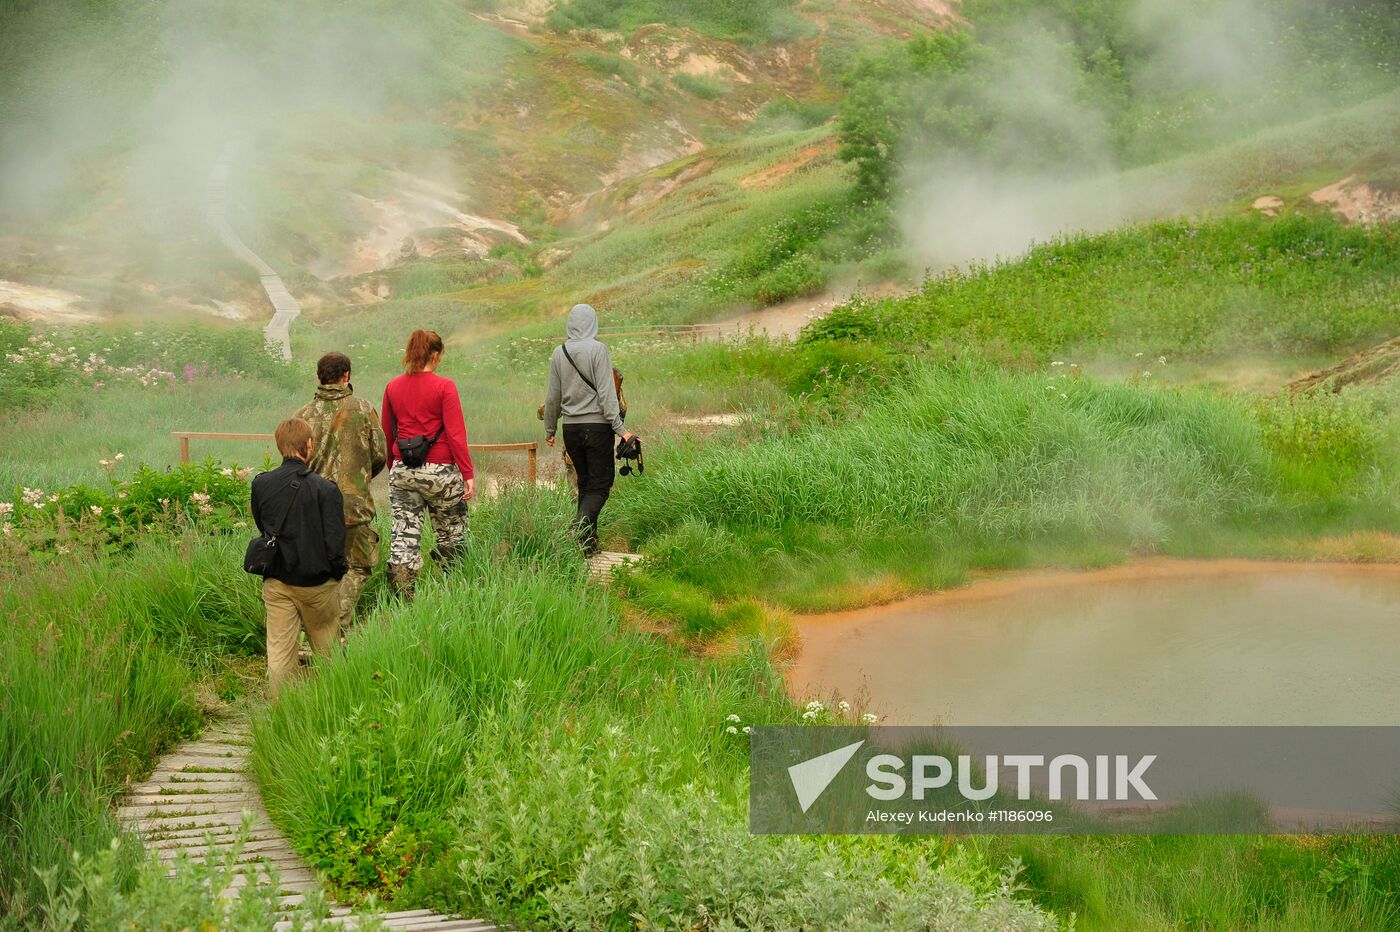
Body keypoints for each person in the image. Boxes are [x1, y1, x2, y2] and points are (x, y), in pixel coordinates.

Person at [250, 417, 348, 697]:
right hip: (318, 584)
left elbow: (264, 526)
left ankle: (283, 715)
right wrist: (336, 573)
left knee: (280, 653)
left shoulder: (261, 484)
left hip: (278, 583)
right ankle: (333, 708)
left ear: (280, 445)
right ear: (309, 445)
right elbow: (335, 542)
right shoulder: (326, 489)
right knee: (328, 652)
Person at [295, 351, 387, 634]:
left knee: (316, 571)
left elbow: (293, 463)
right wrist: (359, 478)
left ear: (318, 377)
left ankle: (309, 633)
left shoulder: (302, 415)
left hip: (311, 509)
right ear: (346, 376)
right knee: (357, 567)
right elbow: (380, 454)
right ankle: (336, 629)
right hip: (352, 507)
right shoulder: (362, 408)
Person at [381, 329, 475, 600]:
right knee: (451, 534)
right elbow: (456, 435)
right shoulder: (445, 387)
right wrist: (467, 474)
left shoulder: (392, 387)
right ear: (434, 354)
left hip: (402, 469)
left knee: (403, 535)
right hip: (440, 471)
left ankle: (402, 599)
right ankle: (454, 592)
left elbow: (388, 432)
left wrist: (393, 465)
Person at [542, 303, 635, 556]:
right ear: (593, 323)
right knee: (601, 485)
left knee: (585, 485)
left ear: (570, 324)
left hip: (571, 430)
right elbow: (607, 395)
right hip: (597, 428)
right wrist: (620, 429)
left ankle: (587, 546)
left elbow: (553, 397)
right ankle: (579, 528)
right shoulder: (598, 350)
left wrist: (550, 429)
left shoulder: (559, 352)